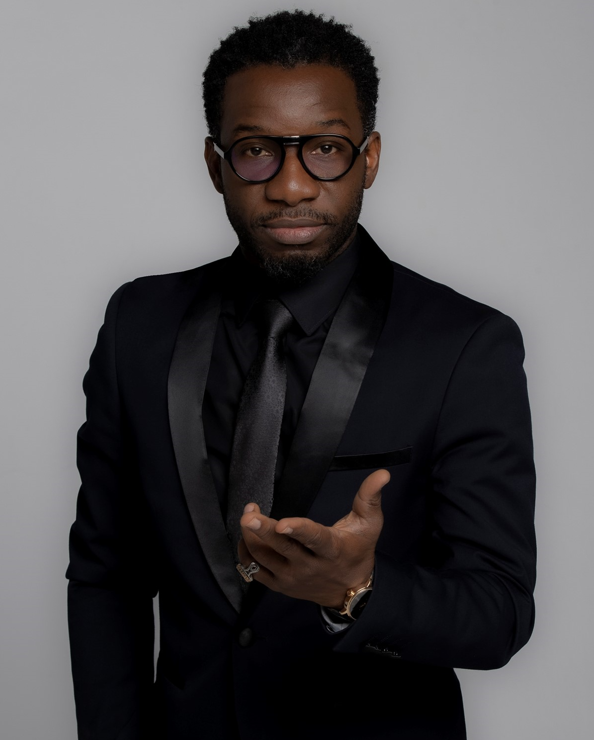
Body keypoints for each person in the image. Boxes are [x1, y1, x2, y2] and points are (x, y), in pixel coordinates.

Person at [66, 10, 536, 740]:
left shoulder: (463, 345)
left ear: (369, 158)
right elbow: (107, 574)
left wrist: (358, 589)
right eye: (256, 150)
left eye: (325, 149)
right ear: (215, 163)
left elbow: (499, 614)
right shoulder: (140, 325)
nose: (290, 186)